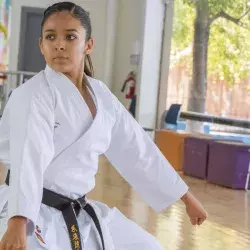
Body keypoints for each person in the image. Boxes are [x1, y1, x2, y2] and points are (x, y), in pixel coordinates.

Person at [0, 2, 207, 250]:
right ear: (41, 45)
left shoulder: (101, 95)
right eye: (50, 37)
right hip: (28, 213)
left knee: (150, 247)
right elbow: (28, 159)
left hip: (79, 211)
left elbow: (137, 148)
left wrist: (185, 196)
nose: (59, 44)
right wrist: (17, 222)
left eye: (70, 37)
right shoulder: (32, 94)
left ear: (88, 45)